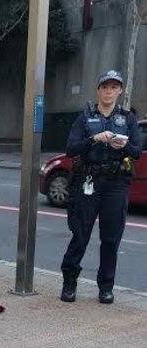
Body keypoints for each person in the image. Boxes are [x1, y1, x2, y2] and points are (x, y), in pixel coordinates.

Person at [60, 70, 141, 304]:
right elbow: (71, 149)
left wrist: (121, 146)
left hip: (116, 184)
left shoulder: (127, 119)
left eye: (114, 87)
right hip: (89, 181)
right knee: (80, 235)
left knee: (111, 239)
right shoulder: (85, 117)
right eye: (105, 87)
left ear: (120, 91)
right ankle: (69, 283)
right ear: (98, 90)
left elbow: (136, 152)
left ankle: (106, 287)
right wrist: (94, 139)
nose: (109, 91)